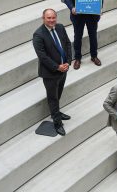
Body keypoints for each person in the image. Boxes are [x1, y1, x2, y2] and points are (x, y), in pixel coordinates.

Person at [32, 8, 72, 136]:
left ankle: (57, 112)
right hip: (50, 73)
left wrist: (68, 62)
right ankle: (57, 123)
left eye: (53, 17)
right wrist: (57, 67)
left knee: (58, 93)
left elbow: (67, 44)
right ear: (43, 18)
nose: (51, 20)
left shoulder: (60, 27)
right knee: (53, 98)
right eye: (48, 18)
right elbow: (42, 57)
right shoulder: (38, 34)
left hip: (63, 69)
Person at [64, 0, 103, 69]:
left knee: (93, 36)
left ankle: (94, 56)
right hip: (78, 16)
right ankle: (77, 58)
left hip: (92, 16)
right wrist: (72, 8)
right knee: (77, 37)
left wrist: (100, 8)